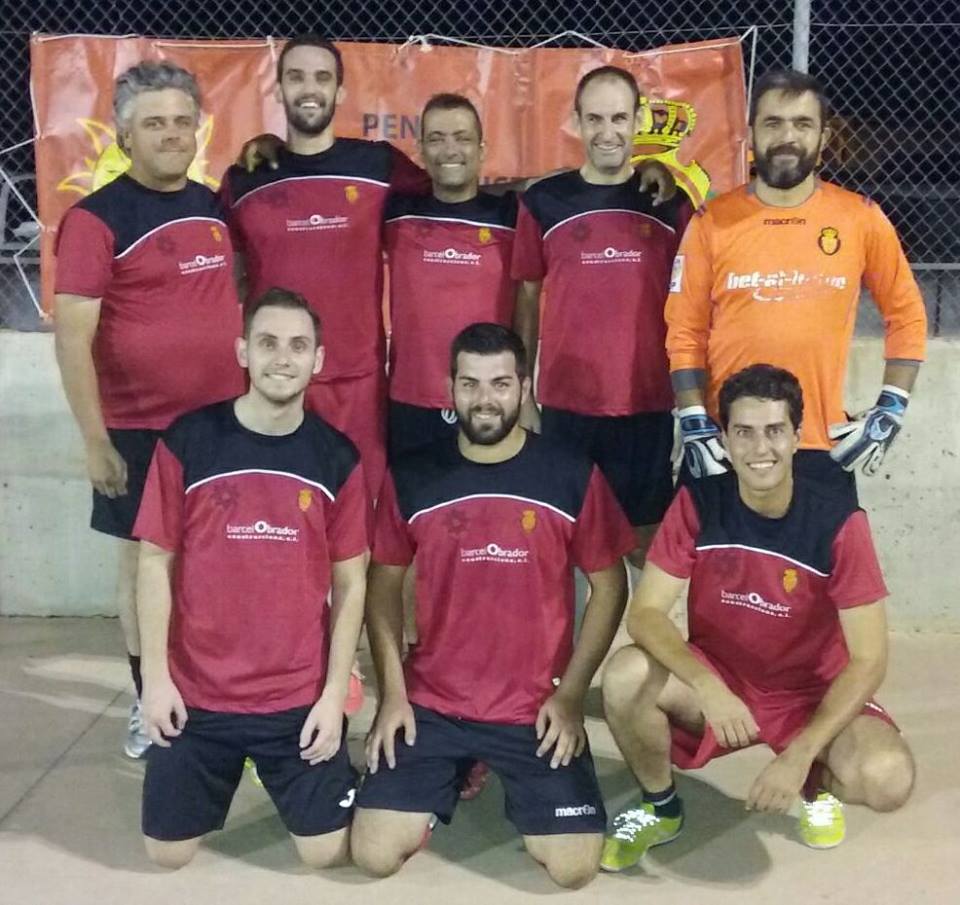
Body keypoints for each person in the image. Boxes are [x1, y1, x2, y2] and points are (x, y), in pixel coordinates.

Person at [350, 323, 634, 888]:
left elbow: (611, 585)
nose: (485, 399)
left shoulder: (570, 473)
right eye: (470, 384)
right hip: (433, 705)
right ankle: (447, 776)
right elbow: (382, 587)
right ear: (450, 389)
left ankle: (497, 771)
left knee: (573, 870)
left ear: (524, 388)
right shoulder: (413, 475)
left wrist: (571, 695)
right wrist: (393, 696)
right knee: (373, 856)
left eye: (501, 384)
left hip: (533, 708)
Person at [600, 364, 914, 872]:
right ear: (724, 439)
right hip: (723, 680)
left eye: (774, 431)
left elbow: (869, 660)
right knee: (625, 675)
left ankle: (816, 785)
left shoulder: (838, 521)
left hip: (810, 694)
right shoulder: (699, 503)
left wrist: (799, 754)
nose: (759, 448)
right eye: (743, 432)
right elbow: (647, 614)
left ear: (796, 437)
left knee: (888, 778)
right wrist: (706, 685)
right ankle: (661, 807)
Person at [133, 288, 369, 869]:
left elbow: (352, 583)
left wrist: (332, 696)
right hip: (199, 695)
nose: (282, 358)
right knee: (166, 855)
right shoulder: (188, 441)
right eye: (267, 343)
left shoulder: (337, 457)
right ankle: (233, 761)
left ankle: (306, 766)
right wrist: (156, 682)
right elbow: (153, 562)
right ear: (242, 351)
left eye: (298, 346)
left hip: (294, 698)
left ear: (318, 359)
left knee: (328, 854)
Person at [53, 61, 244, 758]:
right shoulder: (95, 219)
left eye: (182, 122)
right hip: (137, 432)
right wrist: (95, 441)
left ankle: (217, 693)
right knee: (144, 566)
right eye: (154, 123)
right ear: (125, 135)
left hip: (222, 426)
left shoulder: (214, 208)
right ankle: (149, 699)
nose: (171, 134)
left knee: (219, 564)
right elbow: (71, 338)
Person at [667, 69, 927, 492]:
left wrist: (891, 407)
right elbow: (684, 330)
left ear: (824, 138)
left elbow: (907, 316)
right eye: (773, 123)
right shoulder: (711, 222)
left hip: (819, 445)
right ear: (751, 134)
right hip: (724, 443)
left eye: (802, 124)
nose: (787, 137)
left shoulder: (861, 218)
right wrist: (693, 415)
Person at [221, 34, 431, 500]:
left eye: (322, 77)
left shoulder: (378, 165)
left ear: (340, 90)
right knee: (277, 513)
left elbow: (456, 198)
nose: (309, 88)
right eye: (296, 77)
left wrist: (549, 191)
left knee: (356, 515)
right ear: (279, 88)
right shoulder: (246, 178)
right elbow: (226, 277)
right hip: (272, 379)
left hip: (356, 384)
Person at [512, 65, 692, 565]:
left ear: (638, 121)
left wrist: (691, 397)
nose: (607, 132)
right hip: (568, 408)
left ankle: (640, 622)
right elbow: (526, 298)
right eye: (594, 119)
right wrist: (523, 390)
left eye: (618, 118)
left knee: (644, 545)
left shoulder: (669, 204)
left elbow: (694, 304)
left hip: (647, 405)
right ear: (576, 121)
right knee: (567, 544)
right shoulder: (544, 202)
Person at [384, 93, 519, 461]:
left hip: (488, 400)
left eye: (462, 138)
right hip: (410, 401)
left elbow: (562, 188)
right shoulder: (395, 213)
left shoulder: (511, 216)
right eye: (437, 138)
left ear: (482, 149)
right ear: (420, 149)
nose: (450, 150)